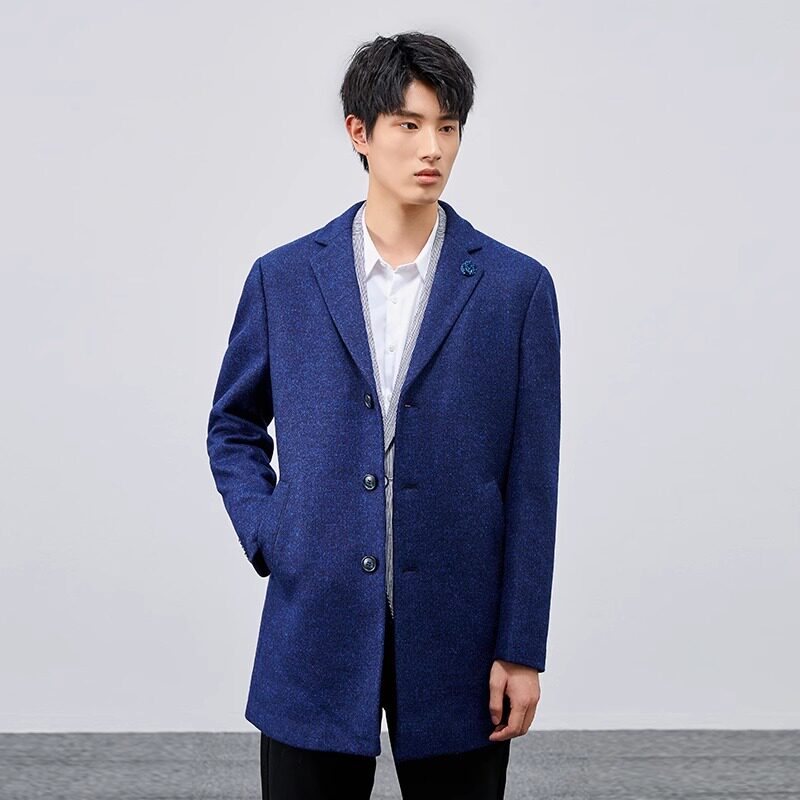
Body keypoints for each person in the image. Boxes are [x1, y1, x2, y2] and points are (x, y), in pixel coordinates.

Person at [206, 31, 562, 799]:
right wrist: (272, 530)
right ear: (359, 133)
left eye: (448, 126)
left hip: (462, 643)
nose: (433, 148)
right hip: (314, 632)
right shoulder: (283, 279)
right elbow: (232, 426)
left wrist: (522, 646)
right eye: (409, 124)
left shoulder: (516, 289)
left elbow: (532, 483)